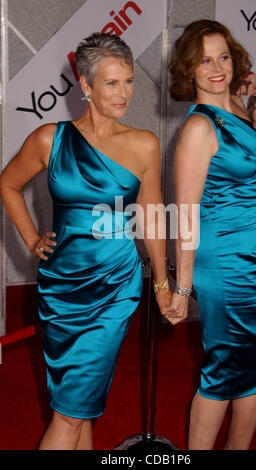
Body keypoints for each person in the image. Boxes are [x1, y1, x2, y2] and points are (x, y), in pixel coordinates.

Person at [0, 32, 171, 450]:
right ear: (86, 86)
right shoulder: (49, 139)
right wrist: (31, 238)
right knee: (75, 405)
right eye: (112, 83)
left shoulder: (144, 144)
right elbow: (7, 184)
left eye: (128, 81)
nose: (124, 93)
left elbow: (150, 217)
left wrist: (164, 285)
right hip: (60, 288)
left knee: (72, 410)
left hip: (115, 286)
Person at [167, 19, 256, 450]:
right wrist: (182, 287)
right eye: (204, 61)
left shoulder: (236, 105)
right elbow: (185, 213)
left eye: (221, 57)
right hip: (223, 263)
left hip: (253, 254)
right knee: (225, 366)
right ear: (189, 70)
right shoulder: (200, 128)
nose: (216, 68)